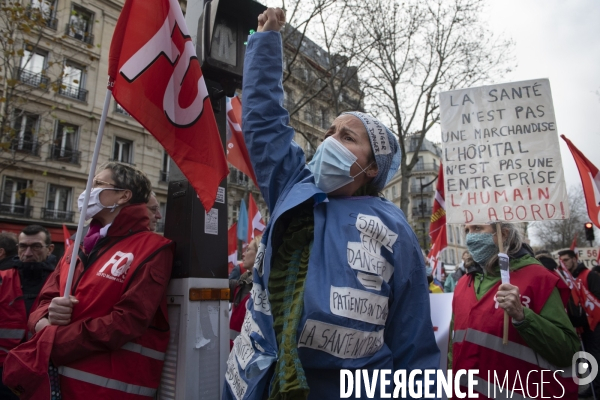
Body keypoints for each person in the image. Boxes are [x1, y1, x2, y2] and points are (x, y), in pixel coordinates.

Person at [224, 8, 439, 400]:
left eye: (346, 136)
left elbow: (413, 342)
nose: (329, 140)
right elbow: (264, 122)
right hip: (259, 383)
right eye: (330, 131)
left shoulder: (396, 230)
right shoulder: (293, 186)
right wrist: (266, 43)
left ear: (373, 166)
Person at [4, 162, 174, 399]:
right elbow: (44, 300)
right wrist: (44, 318)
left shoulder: (154, 249)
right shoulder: (76, 246)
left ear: (124, 196)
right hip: (53, 385)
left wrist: (53, 339)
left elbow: (129, 321)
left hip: (105, 390)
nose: (88, 190)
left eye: (97, 184)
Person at [452, 223, 579, 398]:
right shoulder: (462, 285)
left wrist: (522, 316)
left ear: (503, 234)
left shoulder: (538, 278)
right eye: (467, 230)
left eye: (477, 229)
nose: (470, 237)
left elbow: (568, 351)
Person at [0, 226, 56, 399]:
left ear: (50, 249)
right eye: (23, 246)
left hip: (43, 372)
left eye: (36, 246)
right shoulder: (2, 278)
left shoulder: (62, 281)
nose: (28, 252)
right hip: (3, 370)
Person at [558, 249, 600, 398]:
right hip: (581, 325)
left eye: (566, 260)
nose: (564, 263)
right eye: (561, 261)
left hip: (595, 324)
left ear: (575, 259)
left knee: (597, 357)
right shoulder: (567, 277)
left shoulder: (590, 275)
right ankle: (594, 386)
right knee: (589, 358)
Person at [229, 235, 261, 349]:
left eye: (248, 250)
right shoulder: (241, 284)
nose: (243, 254)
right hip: (235, 355)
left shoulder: (267, 289)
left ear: (259, 253)